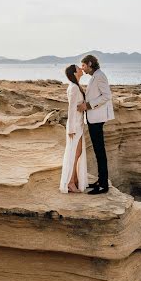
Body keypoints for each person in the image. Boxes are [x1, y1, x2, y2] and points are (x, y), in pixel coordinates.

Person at [78, 54, 114, 195]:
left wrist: (88, 105)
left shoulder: (100, 76)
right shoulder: (95, 76)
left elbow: (106, 96)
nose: (83, 68)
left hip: (97, 118)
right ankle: (101, 180)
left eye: (84, 65)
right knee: (98, 151)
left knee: (100, 152)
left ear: (90, 63)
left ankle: (103, 185)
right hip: (94, 118)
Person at [59, 64, 88, 194]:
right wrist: (70, 128)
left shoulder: (76, 86)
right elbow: (71, 109)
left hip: (79, 124)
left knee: (78, 153)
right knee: (73, 154)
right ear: (75, 72)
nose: (81, 69)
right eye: (79, 68)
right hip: (74, 126)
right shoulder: (74, 88)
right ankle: (70, 183)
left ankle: (75, 179)